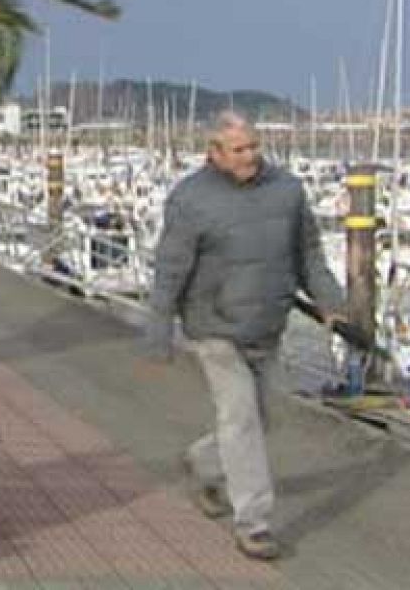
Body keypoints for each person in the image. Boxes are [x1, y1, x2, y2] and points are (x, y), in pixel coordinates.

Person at [142, 110, 345, 561]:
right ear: (214, 153)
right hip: (213, 327)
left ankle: (203, 461)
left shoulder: (288, 191)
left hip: (267, 326)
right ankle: (253, 522)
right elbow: (170, 268)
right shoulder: (190, 200)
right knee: (241, 419)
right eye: (239, 150)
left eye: (254, 146)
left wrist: (332, 303)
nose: (250, 156)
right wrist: (158, 332)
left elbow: (309, 255)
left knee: (265, 418)